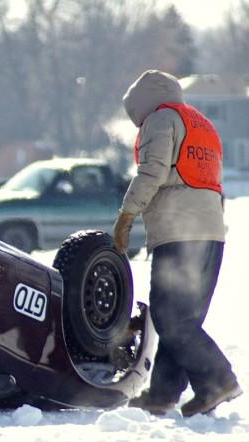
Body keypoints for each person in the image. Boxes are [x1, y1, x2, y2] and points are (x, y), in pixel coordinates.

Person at [114, 69, 242, 417]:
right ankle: (163, 394)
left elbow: (152, 171)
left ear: (143, 103)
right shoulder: (201, 124)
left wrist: (127, 215)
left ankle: (219, 381)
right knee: (181, 319)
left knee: (171, 317)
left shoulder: (161, 119)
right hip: (211, 235)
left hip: (178, 233)